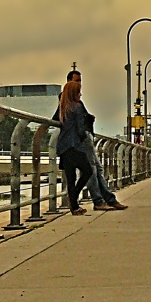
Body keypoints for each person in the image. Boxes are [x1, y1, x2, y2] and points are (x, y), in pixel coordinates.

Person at [52, 69, 127, 211]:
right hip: (79, 140)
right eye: (76, 81)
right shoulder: (71, 100)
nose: (79, 84)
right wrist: (86, 122)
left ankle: (104, 199)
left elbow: (59, 118)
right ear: (70, 82)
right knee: (90, 170)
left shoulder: (68, 102)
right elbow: (78, 122)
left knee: (90, 170)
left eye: (80, 81)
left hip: (67, 144)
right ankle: (99, 200)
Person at [56, 80, 95, 216]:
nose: (80, 94)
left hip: (63, 147)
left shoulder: (63, 107)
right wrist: (85, 136)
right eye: (78, 92)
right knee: (88, 171)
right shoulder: (77, 107)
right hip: (75, 146)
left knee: (70, 178)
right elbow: (80, 129)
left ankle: (74, 206)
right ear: (74, 93)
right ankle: (74, 198)